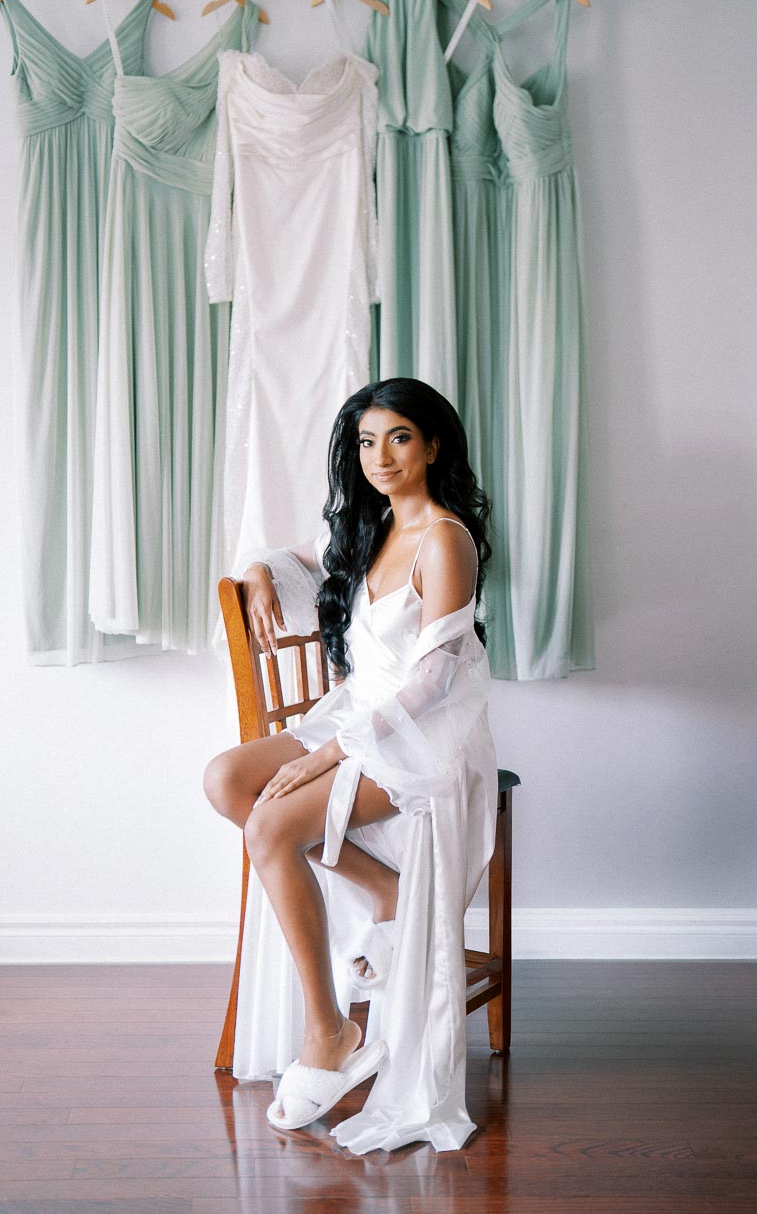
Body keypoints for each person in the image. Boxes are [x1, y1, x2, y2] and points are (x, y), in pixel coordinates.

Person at [204, 378, 499, 1152]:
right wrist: (264, 566)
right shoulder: (368, 529)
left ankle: (328, 1033)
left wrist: (332, 754)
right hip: (356, 717)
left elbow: (434, 681)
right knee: (226, 779)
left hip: (421, 735)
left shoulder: (445, 537)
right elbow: (296, 559)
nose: (381, 457)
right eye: (367, 442)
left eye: (399, 437)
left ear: (434, 445)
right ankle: (384, 888)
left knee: (269, 829)